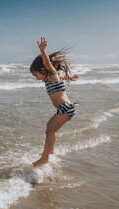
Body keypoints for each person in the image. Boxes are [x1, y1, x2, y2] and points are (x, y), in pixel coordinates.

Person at [30, 36, 78, 167]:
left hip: (66, 108)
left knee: (50, 131)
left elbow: (47, 64)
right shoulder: (50, 78)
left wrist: (42, 51)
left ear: (43, 69)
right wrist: (70, 77)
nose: (36, 78)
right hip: (62, 109)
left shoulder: (51, 73)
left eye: (36, 75)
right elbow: (60, 77)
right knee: (49, 129)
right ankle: (49, 150)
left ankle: (45, 158)